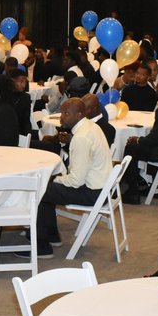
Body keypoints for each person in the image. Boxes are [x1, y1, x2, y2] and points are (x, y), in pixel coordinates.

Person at [33, 98, 112, 259]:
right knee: (47, 188)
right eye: (62, 112)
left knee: (39, 189)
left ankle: (42, 246)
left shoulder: (81, 137)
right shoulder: (91, 127)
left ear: (79, 115)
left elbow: (76, 181)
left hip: (92, 192)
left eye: (66, 113)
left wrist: (55, 179)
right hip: (102, 187)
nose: (62, 117)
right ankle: (52, 236)